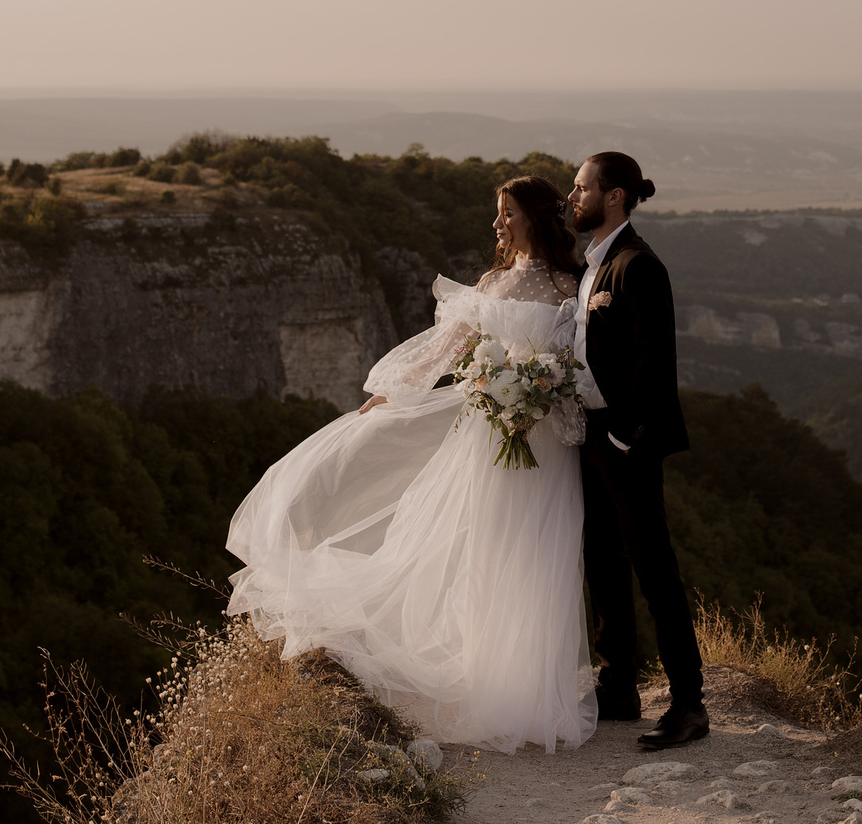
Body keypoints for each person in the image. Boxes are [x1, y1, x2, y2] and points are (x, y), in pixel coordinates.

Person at [224, 176, 598, 753]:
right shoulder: (493, 284)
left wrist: (539, 393)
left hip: (545, 444)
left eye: (506, 213)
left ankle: (529, 693)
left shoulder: (569, 286)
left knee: (539, 557)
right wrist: (394, 393)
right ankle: (487, 683)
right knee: (487, 547)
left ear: (534, 217)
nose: (497, 224)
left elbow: (573, 366)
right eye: (496, 213)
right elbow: (446, 347)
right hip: (486, 439)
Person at [569, 149, 706, 749]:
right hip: (589, 436)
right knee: (603, 562)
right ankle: (618, 686)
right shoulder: (594, 263)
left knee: (655, 570)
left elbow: (655, 361)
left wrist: (625, 436)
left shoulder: (638, 265)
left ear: (615, 195)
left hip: (624, 441)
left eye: (581, 188)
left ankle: (689, 704)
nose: (574, 198)